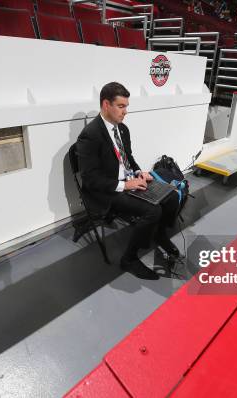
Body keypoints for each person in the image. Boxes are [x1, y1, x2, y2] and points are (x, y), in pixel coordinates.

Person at [76, 82, 180, 279]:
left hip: (129, 181)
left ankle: (158, 234)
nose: (126, 112)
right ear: (106, 105)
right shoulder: (90, 135)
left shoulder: (122, 129)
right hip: (107, 191)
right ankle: (129, 259)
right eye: (121, 106)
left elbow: (128, 157)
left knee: (172, 197)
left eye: (126, 106)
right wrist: (125, 185)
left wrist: (140, 172)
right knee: (153, 210)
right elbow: (90, 180)